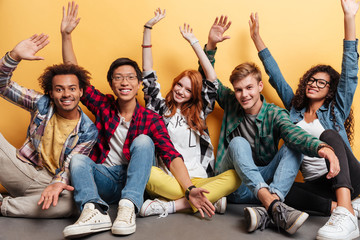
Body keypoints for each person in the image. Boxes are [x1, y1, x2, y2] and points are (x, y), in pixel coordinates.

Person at [60, 2, 215, 238]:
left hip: (135, 180)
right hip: (105, 176)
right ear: (112, 84)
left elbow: (170, 153)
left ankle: (128, 207)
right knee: (78, 160)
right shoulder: (104, 106)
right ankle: (94, 211)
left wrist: (190, 189)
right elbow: (77, 79)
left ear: (139, 84)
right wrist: (66, 36)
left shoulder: (151, 117)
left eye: (131, 77)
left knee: (144, 140)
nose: (125, 82)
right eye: (118, 78)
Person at [200, 15, 340, 235]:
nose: (244, 95)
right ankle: (273, 204)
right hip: (232, 184)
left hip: (261, 184)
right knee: (237, 143)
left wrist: (323, 148)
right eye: (238, 90)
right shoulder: (230, 101)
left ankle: (270, 206)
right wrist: (210, 46)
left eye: (249, 88)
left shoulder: (275, 113)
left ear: (259, 86)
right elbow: (209, 81)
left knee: (292, 145)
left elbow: (293, 133)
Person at [249, 0, 360, 239]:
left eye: (321, 82)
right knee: (278, 191)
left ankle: (346, 211)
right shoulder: (294, 108)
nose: (314, 84)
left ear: (330, 89)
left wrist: (349, 18)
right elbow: (275, 76)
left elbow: (350, 72)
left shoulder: (335, 110)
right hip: (319, 186)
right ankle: (345, 209)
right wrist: (257, 38)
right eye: (311, 79)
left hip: (348, 176)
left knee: (328, 135)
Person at [139, 9, 241, 218]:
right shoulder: (159, 108)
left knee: (236, 176)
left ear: (194, 94)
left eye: (188, 90)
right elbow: (148, 72)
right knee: (144, 172)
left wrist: (195, 43)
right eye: (179, 85)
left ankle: (171, 206)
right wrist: (147, 29)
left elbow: (212, 80)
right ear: (174, 83)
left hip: (201, 179)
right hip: (172, 179)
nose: (181, 91)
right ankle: (209, 199)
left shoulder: (199, 111)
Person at [0, 34, 98, 218]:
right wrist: (14, 56)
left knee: (70, 203)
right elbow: (2, 86)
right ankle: (26, 202)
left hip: (50, 183)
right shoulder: (41, 104)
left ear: (81, 91)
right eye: (59, 89)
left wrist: (56, 183)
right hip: (22, 169)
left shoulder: (88, 130)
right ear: (51, 93)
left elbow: (70, 166)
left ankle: (4, 205)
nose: (66, 94)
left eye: (72, 88)